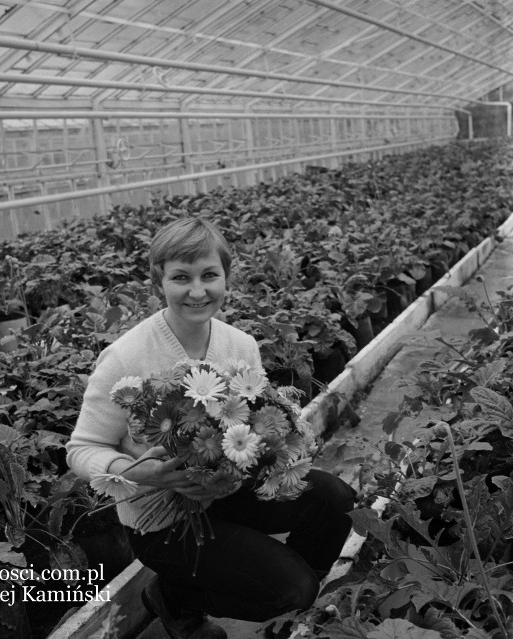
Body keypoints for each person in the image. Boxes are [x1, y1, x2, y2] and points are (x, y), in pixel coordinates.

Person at [67, 217, 356, 639]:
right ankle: (176, 597)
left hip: (227, 493)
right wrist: (142, 473)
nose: (197, 291)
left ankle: (288, 610)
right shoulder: (126, 359)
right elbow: (81, 449)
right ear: (157, 283)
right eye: (181, 277)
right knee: (292, 588)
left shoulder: (240, 345)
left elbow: (257, 424)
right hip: (162, 519)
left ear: (226, 279)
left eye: (209, 275)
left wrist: (272, 450)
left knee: (334, 499)